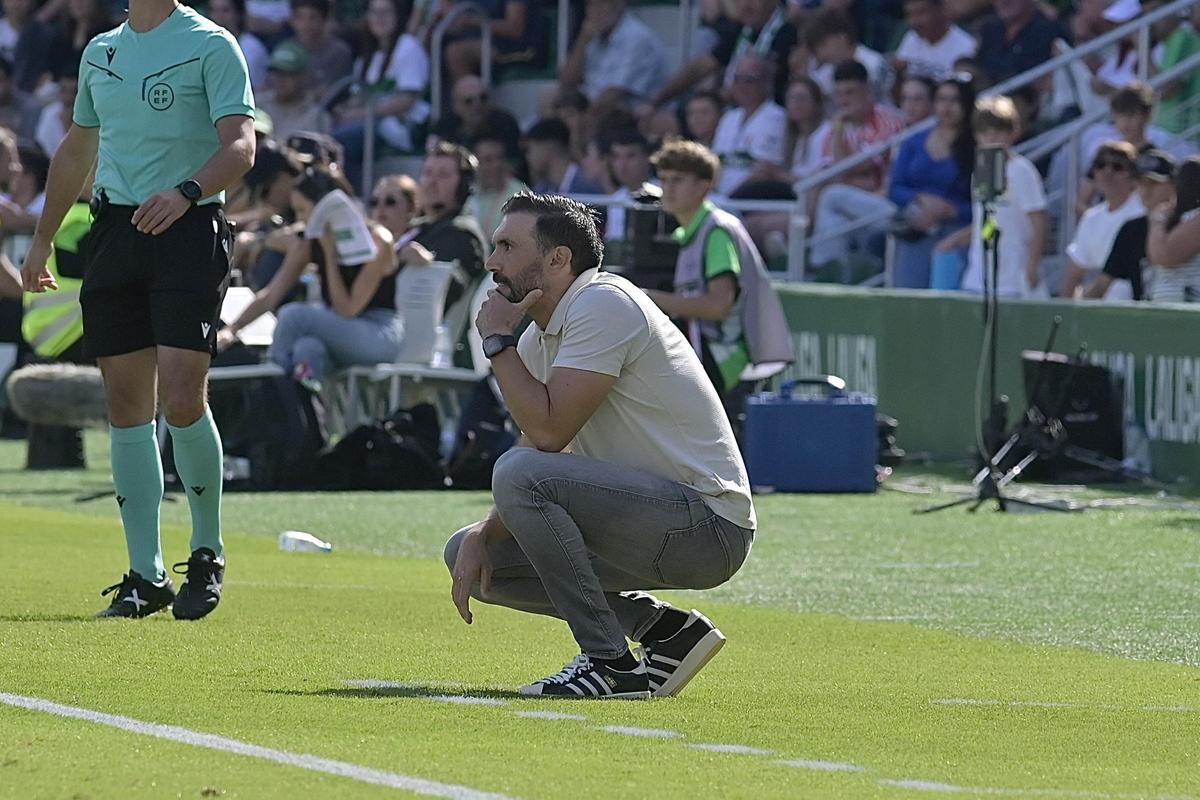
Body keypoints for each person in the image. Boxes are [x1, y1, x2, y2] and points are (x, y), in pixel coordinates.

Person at [444, 191, 756, 699]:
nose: (492, 262)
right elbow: (539, 452)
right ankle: (666, 633)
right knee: (469, 552)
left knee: (516, 473)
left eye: (507, 247)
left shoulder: (603, 302)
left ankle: (611, 664)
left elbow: (546, 439)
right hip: (650, 521)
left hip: (708, 528)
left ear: (558, 259)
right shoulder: (540, 336)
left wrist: (497, 340)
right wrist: (484, 531)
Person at [21, 0, 255, 618]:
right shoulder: (101, 50)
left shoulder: (212, 43)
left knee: (181, 398)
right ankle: (144, 576)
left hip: (190, 231)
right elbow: (77, 149)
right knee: (125, 406)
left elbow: (241, 147)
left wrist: (185, 193)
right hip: (114, 233)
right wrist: (42, 240)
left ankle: (207, 552)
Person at [645, 139, 791, 412]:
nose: (668, 188)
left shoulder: (716, 232)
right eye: (664, 179)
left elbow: (718, 306)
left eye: (678, 180)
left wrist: (651, 300)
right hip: (709, 362)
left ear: (704, 186)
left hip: (728, 366)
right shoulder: (693, 231)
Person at [947, 94, 1047, 298]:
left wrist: (1032, 264)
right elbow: (986, 219)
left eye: (999, 132)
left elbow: (1039, 221)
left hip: (1014, 278)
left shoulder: (1021, 170)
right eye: (985, 132)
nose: (992, 138)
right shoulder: (981, 170)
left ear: (1013, 132)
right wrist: (958, 238)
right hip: (978, 277)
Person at [885, 75, 975, 288]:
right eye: (942, 99)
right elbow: (895, 188)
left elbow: (985, 201)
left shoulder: (976, 146)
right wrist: (921, 198)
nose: (947, 107)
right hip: (918, 227)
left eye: (954, 100)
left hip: (958, 232)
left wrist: (953, 210)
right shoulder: (914, 141)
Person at [333, 0, 430, 183]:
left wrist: (363, 113)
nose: (380, 18)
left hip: (402, 126)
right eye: (375, 13)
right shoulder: (367, 56)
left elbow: (407, 100)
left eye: (386, 12)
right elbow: (360, 96)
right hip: (372, 125)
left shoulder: (408, 46)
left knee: (340, 141)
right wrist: (345, 110)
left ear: (398, 16)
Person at [648, 0, 797, 109]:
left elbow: (758, 81)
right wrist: (657, 100)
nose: (746, 5)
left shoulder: (788, 32)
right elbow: (700, 67)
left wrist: (713, 101)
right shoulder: (742, 30)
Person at [1084, 149, 1176, 301]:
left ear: (1174, 185)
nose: (1146, 191)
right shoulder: (1132, 230)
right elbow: (1102, 285)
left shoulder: (1188, 226)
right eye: (1141, 184)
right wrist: (1070, 311)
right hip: (1145, 314)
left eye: (1154, 184)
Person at [1060, 141, 1145, 300]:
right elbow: (1074, 273)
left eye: (1117, 167)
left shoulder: (1143, 212)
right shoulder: (1091, 218)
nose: (1107, 172)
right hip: (1099, 306)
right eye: (1100, 165)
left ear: (1133, 176)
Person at [559, 0, 666, 111]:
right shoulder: (593, 37)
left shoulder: (637, 38)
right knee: (551, 99)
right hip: (593, 107)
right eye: (590, 4)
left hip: (632, 113)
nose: (595, 10)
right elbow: (567, 83)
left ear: (620, 4)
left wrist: (581, 117)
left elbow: (612, 97)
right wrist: (583, 39)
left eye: (602, 3)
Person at [711, 53, 787, 196]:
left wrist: (731, 198)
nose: (742, 86)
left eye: (749, 80)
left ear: (766, 82)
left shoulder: (777, 117)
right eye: (737, 79)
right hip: (719, 197)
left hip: (753, 198)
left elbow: (764, 171)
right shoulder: (729, 117)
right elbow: (717, 161)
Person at [1146, 156, 1200, 304]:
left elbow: (1164, 255)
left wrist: (1157, 220)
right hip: (1166, 306)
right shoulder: (1170, 217)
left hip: (1191, 307)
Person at [255, 41, 333, 142]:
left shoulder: (317, 117)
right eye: (276, 73)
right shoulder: (256, 103)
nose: (280, 80)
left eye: (287, 74)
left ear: (303, 76)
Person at [806, 8, 891, 101]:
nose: (820, 54)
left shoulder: (875, 65)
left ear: (842, 38)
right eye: (816, 50)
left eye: (823, 45)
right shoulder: (824, 74)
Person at [428, 75, 521, 157]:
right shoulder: (444, 127)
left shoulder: (505, 124)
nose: (477, 106)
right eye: (469, 101)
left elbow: (512, 162)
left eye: (483, 98)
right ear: (456, 107)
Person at [975, 0, 1064, 86]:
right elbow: (977, 66)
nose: (1003, 1)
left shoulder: (1048, 31)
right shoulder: (989, 30)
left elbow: (1037, 81)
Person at [282, 0, 354, 97]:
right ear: (292, 21)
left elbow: (333, 93)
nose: (306, 25)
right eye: (300, 17)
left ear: (325, 20)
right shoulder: (285, 49)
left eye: (313, 18)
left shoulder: (340, 53)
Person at [465, 128, 526, 239]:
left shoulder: (520, 195)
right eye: (488, 160)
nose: (496, 165)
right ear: (474, 163)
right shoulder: (466, 193)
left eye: (500, 158)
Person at [893, 0, 977, 81]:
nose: (914, 22)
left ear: (940, 10)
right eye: (910, 15)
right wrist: (898, 72)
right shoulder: (912, 37)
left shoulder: (967, 47)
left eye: (921, 13)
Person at [524, 117, 604, 196]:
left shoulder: (588, 187)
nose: (528, 157)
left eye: (529, 149)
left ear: (548, 147)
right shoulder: (541, 190)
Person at [207, 0, 270, 90]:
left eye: (225, 10)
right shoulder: (205, 45)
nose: (218, 16)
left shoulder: (252, 48)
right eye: (214, 10)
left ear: (238, 14)